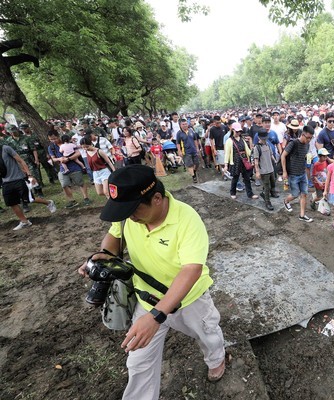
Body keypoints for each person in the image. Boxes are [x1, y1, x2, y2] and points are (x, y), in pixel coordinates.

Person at [77, 165, 226, 399]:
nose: (129, 217)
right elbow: (115, 235)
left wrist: (157, 316)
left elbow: (191, 270)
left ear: (157, 198)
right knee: (138, 364)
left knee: (208, 334)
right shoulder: (129, 217)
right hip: (146, 300)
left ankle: (217, 359)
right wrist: (103, 257)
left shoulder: (187, 220)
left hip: (189, 300)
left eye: (133, 210)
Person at [1, 143, 56, 230]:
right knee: (12, 203)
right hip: (5, 182)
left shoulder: (6, 149)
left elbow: (21, 161)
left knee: (30, 199)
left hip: (18, 179)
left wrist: (29, 175)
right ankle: (24, 221)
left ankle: (48, 203)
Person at [47, 131, 91, 208]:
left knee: (80, 183)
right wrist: (59, 159)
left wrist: (68, 158)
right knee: (64, 185)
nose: (53, 141)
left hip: (74, 166)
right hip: (62, 168)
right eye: (51, 139)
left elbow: (78, 153)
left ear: (58, 136)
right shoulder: (51, 147)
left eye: (55, 138)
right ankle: (71, 200)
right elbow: (53, 159)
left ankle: (86, 198)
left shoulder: (69, 143)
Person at [281, 125, 314, 222]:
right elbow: (283, 156)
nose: (309, 140)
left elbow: (303, 156)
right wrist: (284, 172)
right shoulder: (293, 143)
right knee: (295, 194)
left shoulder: (307, 145)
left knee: (304, 194)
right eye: (308, 137)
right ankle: (286, 201)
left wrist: (308, 158)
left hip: (302, 173)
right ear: (303, 134)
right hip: (293, 174)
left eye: (311, 138)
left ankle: (302, 215)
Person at [224, 122, 259, 200]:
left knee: (247, 178)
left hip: (244, 161)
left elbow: (248, 151)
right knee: (235, 178)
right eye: (237, 131)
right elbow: (227, 154)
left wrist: (253, 154)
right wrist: (226, 165)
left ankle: (250, 194)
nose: (238, 133)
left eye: (239, 131)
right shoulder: (229, 141)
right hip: (235, 162)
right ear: (232, 130)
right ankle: (232, 192)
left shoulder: (242, 140)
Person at [253, 128, 279, 210]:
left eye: (265, 138)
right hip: (264, 170)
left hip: (270, 168)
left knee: (273, 181)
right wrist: (257, 171)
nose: (264, 140)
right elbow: (256, 160)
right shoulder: (257, 148)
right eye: (263, 138)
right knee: (266, 186)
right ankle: (267, 201)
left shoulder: (267, 144)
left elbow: (271, 154)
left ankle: (272, 192)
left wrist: (274, 161)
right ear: (259, 138)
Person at [175, 119, 201, 184]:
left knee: (197, 163)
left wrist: (197, 148)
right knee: (189, 165)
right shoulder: (179, 133)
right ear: (180, 125)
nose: (184, 125)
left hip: (194, 150)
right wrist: (179, 151)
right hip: (186, 151)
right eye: (183, 124)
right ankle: (193, 177)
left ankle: (194, 171)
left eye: (186, 124)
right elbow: (178, 143)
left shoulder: (191, 130)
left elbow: (195, 140)